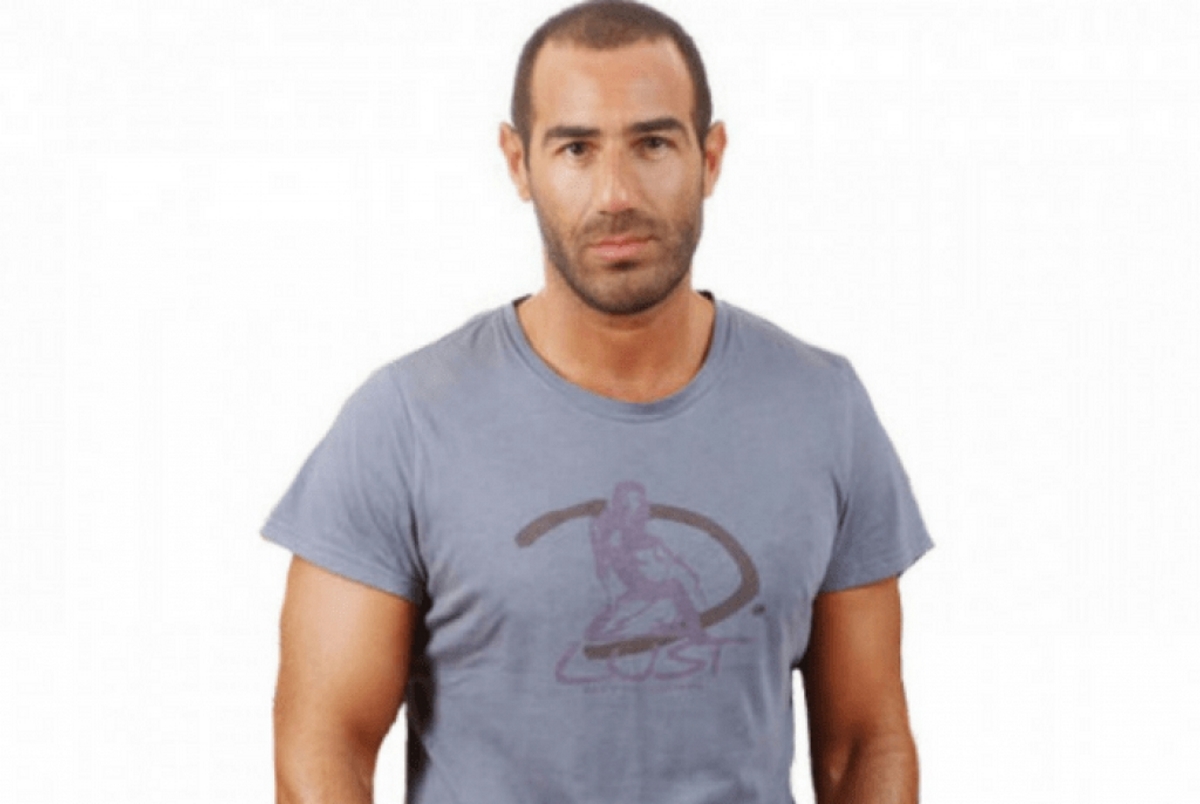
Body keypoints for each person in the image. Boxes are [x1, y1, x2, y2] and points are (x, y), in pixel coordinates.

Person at [263, 1, 933, 802]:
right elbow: (325, 745)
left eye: (653, 144)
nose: (616, 193)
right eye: (576, 148)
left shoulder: (824, 410)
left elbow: (863, 745)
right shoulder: (404, 423)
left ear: (710, 157)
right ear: (519, 163)